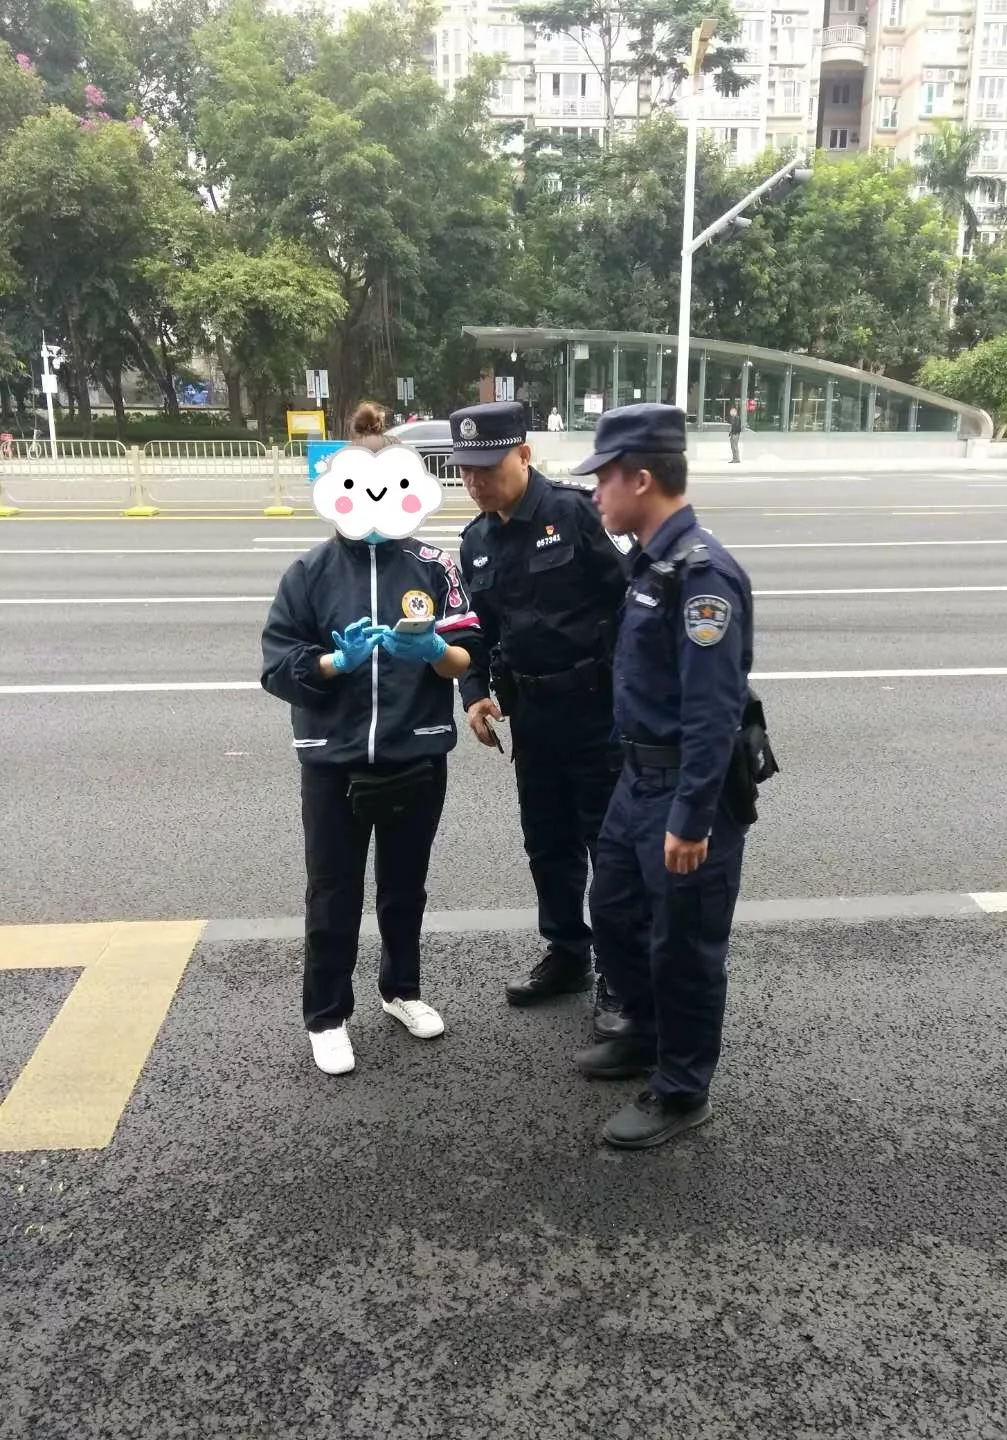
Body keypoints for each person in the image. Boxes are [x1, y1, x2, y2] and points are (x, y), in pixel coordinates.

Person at [261, 402, 483, 1076]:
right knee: (333, 893)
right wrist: (335, 662)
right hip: (333, 762)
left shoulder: (434, 567)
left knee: (405, 887)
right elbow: (277, 668)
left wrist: (434, 652)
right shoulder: (308, 574)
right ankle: (327, 1015)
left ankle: (401, 990)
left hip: (417, 751)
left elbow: (468, 655)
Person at [572, 403, 757, 1150]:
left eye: (604, 478)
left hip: (684, 791)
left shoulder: (702, 577)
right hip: (636, 781)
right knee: (615, 912)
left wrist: (692, 817)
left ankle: (682, 1089)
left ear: (641, 479)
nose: (595, 493)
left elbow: (713, 713)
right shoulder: (653, 563)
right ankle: (646, 1034)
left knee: (684, 946)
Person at [453, 401, 630, 1014]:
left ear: (524, 455)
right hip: (531, 714)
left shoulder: (575, 513)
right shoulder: (475, 541)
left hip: (596, 709)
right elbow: (474, 628)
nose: (474, 481)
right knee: (547, 842)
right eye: (464, 470)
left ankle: (620, 973)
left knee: (609, 845)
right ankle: (567, 952)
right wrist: (474, 691)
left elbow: (630, 599)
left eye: (487, 467)